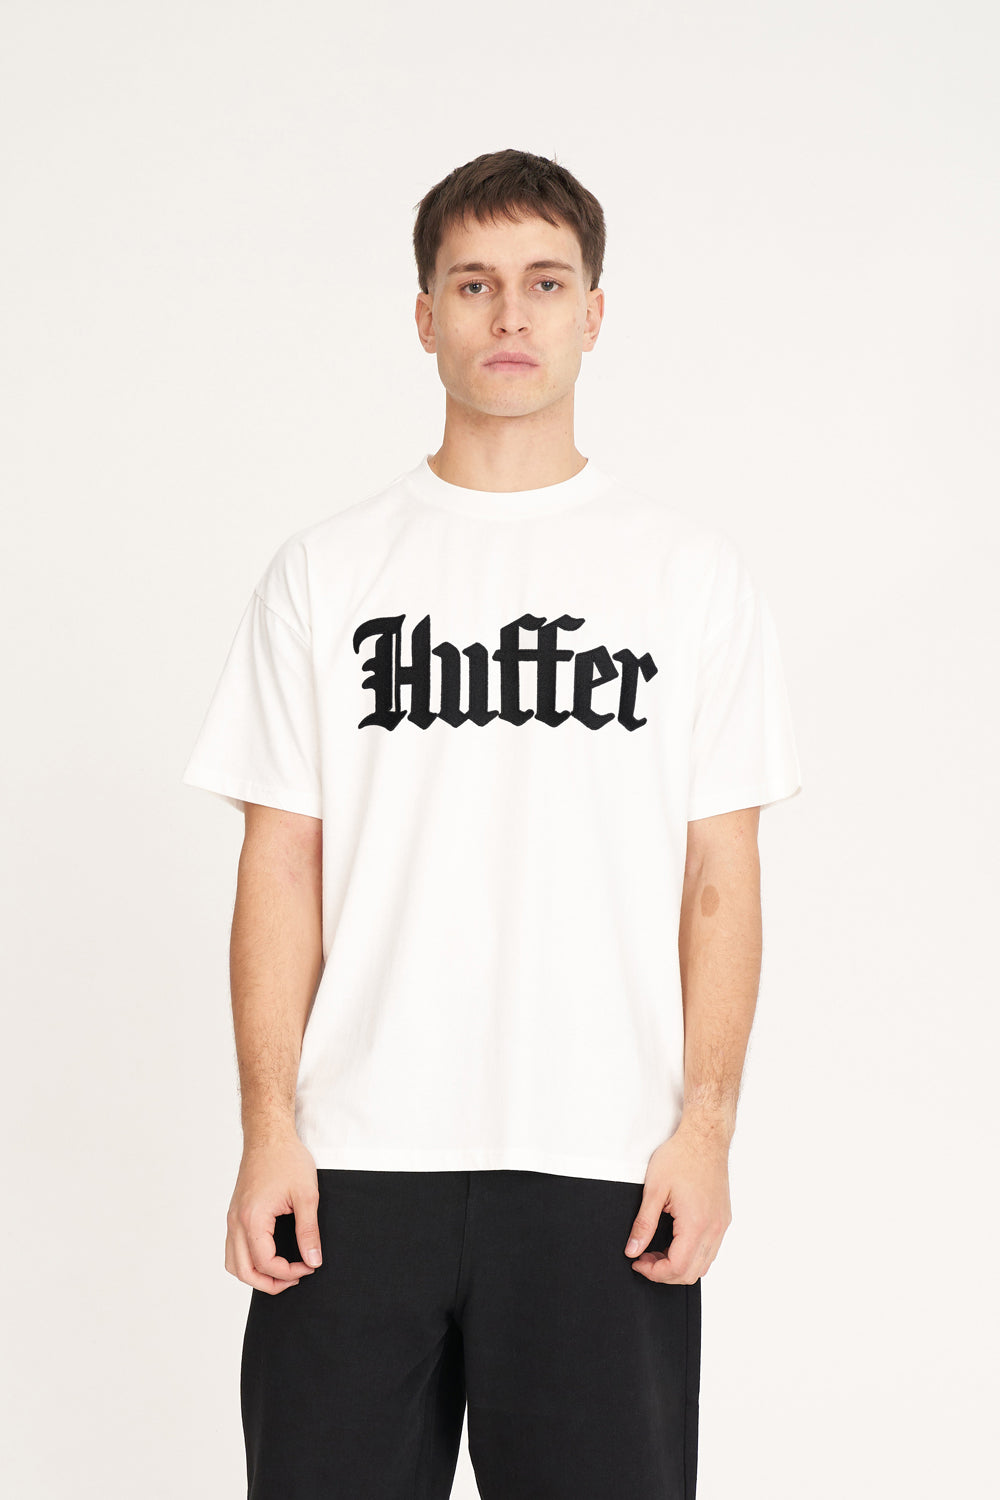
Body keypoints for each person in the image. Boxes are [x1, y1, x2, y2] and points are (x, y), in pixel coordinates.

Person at [181, 147, 802, 1500]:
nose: (510, 314)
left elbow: (720, 873)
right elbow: (280, 862)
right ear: (425, 316)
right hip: (354, 1168)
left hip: (604, 1167)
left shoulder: (689, 578)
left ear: (595, 311)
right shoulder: (326, 574)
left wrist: (705, 1131)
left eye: (544, 282)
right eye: (473, 284)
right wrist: (269, 1126)